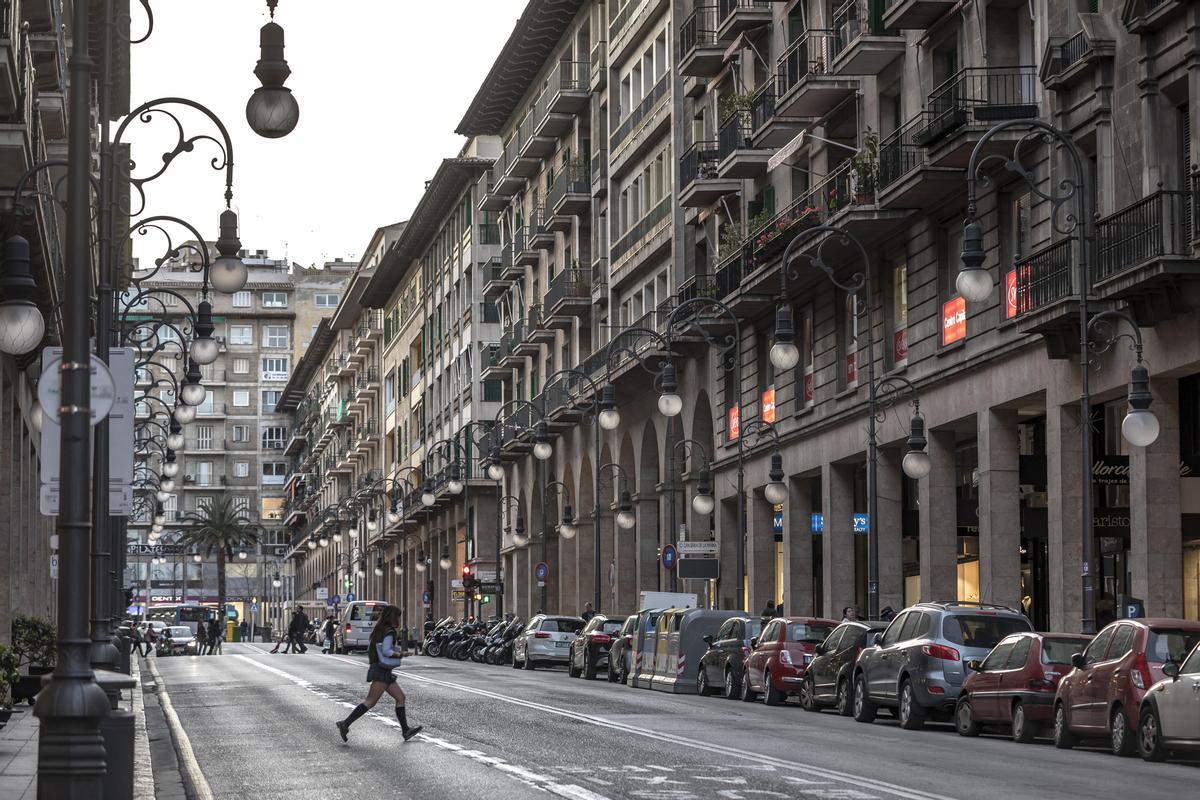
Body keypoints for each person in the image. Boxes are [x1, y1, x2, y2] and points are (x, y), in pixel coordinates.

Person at [336, 605, 423, 744]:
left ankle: (406, 730)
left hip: (382, 670)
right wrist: (401, 654)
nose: (399, 619)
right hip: (381, 671)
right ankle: (345, 723)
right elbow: (387, 651)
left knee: (400, 697)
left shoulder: (380, 629)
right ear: (393, 617)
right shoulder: (389, 632)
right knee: (370, 702)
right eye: (398, 616)